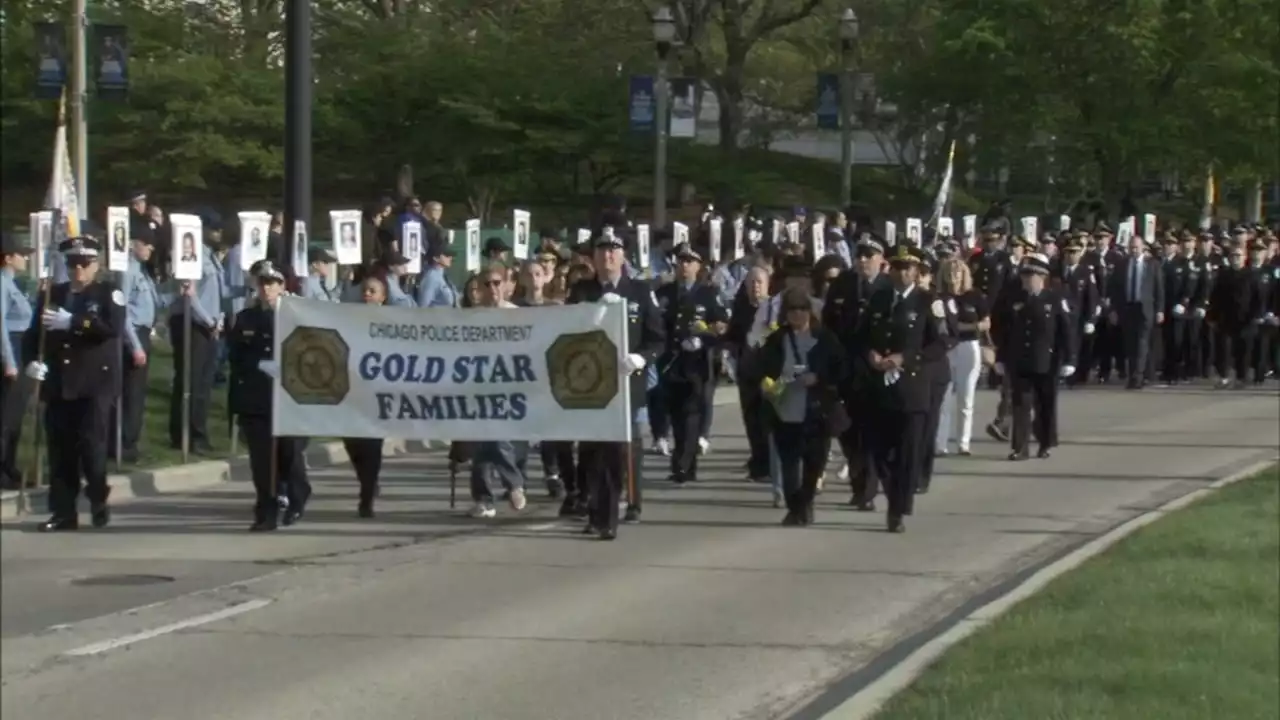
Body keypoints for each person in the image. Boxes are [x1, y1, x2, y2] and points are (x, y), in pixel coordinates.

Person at [566, 229, 665, 539]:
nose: (607, 256)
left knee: (619, 450)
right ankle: (595, 511)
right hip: (590, 385)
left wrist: (641, 358)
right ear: (593, 256)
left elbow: (657, 339)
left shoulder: (638, 290)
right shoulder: (582, 291)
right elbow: (567, 334)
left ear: (623, 256)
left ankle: (610, 515)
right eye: (601, 250)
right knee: (591, 453)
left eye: (613, 250)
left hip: (625, 384)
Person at [22, 231, 123, 531]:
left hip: (94, 384)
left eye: (84, 264)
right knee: (61, 451)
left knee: (91, 448)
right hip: (60, 383)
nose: (78, 270)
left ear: (96, 265)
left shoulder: (108, 293)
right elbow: (33, 335)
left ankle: (97, 497)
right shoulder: (52, 294)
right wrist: (32, 361)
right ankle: (63, 512)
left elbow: (111, 328)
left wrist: (74, 322)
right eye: (72, 264)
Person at [858, 244, 949, 533]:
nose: (903, 273)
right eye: (897, 267)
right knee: (878, 451)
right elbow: (861, 336)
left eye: (908, 267)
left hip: (911, 389)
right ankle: (893, 493)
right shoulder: (879, 299)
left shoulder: (928, 301)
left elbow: (942, 342)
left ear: (917, 271)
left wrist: (907, 358)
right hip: (879, 389)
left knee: (908, 454)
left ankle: (897, 510)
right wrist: (870, 353)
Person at [229, 261, 309, 530]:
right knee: (261, 461)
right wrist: (258, 366)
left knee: (289, 454)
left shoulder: (296, 315)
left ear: (282, 286)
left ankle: (297, 497)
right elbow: (236, 357)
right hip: (257, 396)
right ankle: (266, 510)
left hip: (289, 397)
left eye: (271, 283)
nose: (266, 288)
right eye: (262, 283)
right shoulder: (245, 318)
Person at [757, 286, 844, 525]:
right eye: (792, 310)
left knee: (814, 464)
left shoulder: (825, 338)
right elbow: (761, 367)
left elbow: (841, 370)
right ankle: (796, 508)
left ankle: (805, 503)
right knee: (789, 464)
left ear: (810, 311)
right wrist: (767, 384)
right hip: (785, 410)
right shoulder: (776, 339)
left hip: (817, 411)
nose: (797, 314)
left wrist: (819, 378)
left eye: (802, 309)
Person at [655, 243, 728, 486]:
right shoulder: (664, 292)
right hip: (671, 362)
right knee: (676, 416)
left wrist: (704, 337)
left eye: (689, 261)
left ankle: (681, 465)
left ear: (698, 266)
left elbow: (721, 325)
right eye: (680, 261)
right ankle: (688, 463)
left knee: (691, 414)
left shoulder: (708, 293)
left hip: (697, 364)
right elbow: (656, 324)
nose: (684, 265)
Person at [995, 253, 1077, 460]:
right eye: (1024, 275)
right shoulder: (1013, 300)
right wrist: (1000, 358)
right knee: (1020, 404)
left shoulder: (1054, 299)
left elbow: (1066, 331)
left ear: (1042, 276)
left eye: (1030, 275)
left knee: (1045, 404)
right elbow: (1004, 331)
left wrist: (1070, 359)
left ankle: (1045, 442)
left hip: (1046, 360)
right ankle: (1019, 448)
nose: (1026, 279)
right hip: (1020, 359)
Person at [467, 264, 530, 519]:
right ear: (479, 289)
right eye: (487, 284)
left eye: (497, 283)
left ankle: (514, 483)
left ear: (506, 285)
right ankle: (483, 499)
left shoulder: (517, 315)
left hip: (506, 385)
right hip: (477, 385)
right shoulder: (470, 318)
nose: (492, 288)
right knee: (480, 445)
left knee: (499, 438)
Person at [513, 259, 573, 503]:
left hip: (548, 374)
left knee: (550, 429)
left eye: (538, 274)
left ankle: (553, 474)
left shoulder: (554, 307)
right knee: (521, 430)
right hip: (520, 374)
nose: (534, 279)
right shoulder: (514, 309)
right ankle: (518, 480)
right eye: (529, 274)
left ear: (546, 277)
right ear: (523, 279)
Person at [169, 233, 225, 454]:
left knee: (203, 383)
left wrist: (219, 318)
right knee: (191, 382)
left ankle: (196, 432)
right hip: (194, 324)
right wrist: (210, 320)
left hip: (210, 323)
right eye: (215, 229)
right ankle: (188, 434)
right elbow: (190, 296)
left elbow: (217, 293)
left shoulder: (212, 256)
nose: (219, 234)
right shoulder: (193, 256)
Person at [113, 227, 162, 463]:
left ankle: (130, 440)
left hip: (143, 331)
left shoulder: (142, 271)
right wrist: (135, 345)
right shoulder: (127, 272)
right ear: (134, 244)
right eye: (146, 244)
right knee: (130, 392)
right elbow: (122, 312)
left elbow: (154, 302)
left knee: (138, 392)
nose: (150, 249)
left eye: (152, 245)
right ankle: (123, 443)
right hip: (133, 335)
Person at [344, 275, 389, 517]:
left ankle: (367, 494)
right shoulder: (351, 320)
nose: (367, 295)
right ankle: (366, 481)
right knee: (352, 443)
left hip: (377, 394)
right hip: (352, 390)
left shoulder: (394, 323)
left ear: (383, 297)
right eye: (364, 291)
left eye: (372, 291)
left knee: (372, 446)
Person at [935, 256, 988, 456]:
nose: (953, 277)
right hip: (948, 347)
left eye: (957, 273)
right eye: (949, 273)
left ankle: (963, 442)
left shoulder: (975, 296)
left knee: (966, 397)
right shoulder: (940, 298)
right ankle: (940, 443)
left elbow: (986, 323)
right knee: (944, 397)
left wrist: (966, 327)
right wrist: (971, 326)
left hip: (969, 347)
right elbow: (948, 326)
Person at [1107, 233, 1164, 389]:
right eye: (1131, 247)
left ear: (1143, 247)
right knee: (1130, 344)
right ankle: (1134, 373)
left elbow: (1159, 289)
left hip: (1144, 308)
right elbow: (1114, 289)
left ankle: (1137, 376)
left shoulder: (1152, 264)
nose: (1134, 250)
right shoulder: (1122, 264)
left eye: (1137, 247)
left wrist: (1160, 309)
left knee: (1142, 342)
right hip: (1127, 307)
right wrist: (1113, 310)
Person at [1, 234, 36, 489]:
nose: (25, 258)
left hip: (21, 347)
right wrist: (9, 361)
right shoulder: (2, 283)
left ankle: (9, 466)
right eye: (21, 254)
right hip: (11, 348)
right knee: (7, 415)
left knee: (16, 414)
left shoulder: (13, 283)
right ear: (7, 258)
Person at [416, 240, 459, 308]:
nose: (450, 258)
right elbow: (422, 306)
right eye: (446, 255)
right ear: (436, 258)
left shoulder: (443, 275)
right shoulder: (431, 278)